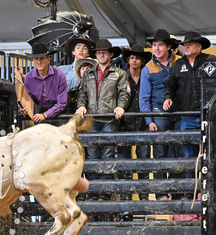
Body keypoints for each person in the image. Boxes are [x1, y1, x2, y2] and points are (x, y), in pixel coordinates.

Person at [76, 39, 130, 200]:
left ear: (110, 54)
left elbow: (124, 93)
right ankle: (93, 192)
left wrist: (121, 106)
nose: (101, 55)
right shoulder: (88, 74)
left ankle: (104, 193)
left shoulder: (119, 73)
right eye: (98, 52)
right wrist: (81, 106)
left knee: (107, 155)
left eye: (104, 52)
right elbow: (82, 93)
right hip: (92, 119)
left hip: (109, 119)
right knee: (92, 156)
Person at [164, 31, 216, 176]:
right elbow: (170, 85)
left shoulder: (211, 61)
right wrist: (168, 97)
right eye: (185, 45)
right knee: (188, 154)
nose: (186, 47)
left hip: (208, 115)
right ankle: (192, 189)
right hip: (188, 115)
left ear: (199, 46)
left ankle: (210, 189)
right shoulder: (178, 65)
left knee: (212, 153)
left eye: (190, 45)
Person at [139, 29, 182, 200]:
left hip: (179, 113)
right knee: (159, 152)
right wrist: (149, 120)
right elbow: (144, 98)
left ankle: (177, 190)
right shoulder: (147, 69)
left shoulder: (179, 63)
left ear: (169, 47)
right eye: (154, 45)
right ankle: (160, 192)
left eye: (160, 45)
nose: (156, 48)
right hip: (159, 114)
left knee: (177, 151)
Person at [119, 45, 152, 201]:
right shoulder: (122, 78)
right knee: (125, 160)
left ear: (142, 61)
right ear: (128, 60)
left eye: (138, 58)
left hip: (143, 123)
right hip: (125, 123)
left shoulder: (147, 76)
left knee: (143, 159)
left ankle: (144, 194)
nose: (135, 60)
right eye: (132, 57)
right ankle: (126, 195)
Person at [15, 43, 67, 125]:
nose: (39, 61)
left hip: (61, 116)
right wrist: (25, 109)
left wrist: (45, 115)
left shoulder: (60, 75)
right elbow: (30, 100)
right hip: (41, 116)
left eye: (42, 58)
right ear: (33, 60)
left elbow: (62, 103)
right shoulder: (29, 78)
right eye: (36, 59)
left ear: (48, 59)